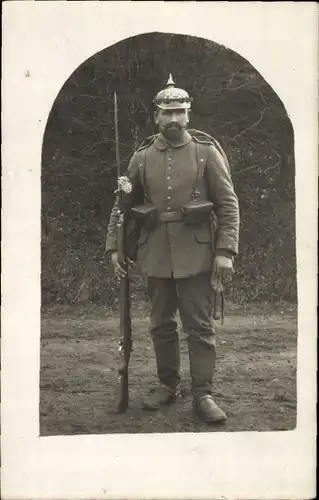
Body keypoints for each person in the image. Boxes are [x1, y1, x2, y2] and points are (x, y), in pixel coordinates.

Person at [106, 75, 240, 424]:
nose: (174, 119)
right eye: (167, 113)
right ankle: (167, 385)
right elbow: (122, 207)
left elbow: (228, 205)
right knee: (160, 325)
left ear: (189, 114)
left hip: (197, 253)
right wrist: (115, 249)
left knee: (199, 327)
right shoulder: (141, 157)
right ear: (156, 117)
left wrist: (225, 251)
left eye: (180, 111)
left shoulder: (206, 154)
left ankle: (203, 394)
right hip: (154, 254)